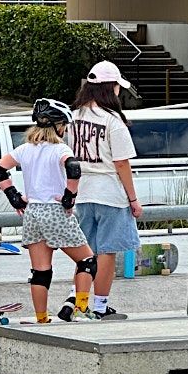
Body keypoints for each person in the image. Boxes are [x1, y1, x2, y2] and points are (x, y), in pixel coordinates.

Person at [0, 99, 98, 323]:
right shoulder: (60, 149)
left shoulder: (24, 149)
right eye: (65, 126)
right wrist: (70, 198)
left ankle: (41, 318)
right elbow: (74, 167)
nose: (65, 130)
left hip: (32, 214)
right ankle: (81, 309)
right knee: (87, 261)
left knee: (41, 271)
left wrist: (15, 197)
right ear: (59, 126)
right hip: (56, 212)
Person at [62, 60, 142, 320]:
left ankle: (79, 302)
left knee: (84, 254)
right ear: (111, 88)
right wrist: (133, 199)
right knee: (107, 252)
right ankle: (99, 306)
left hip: (81, 194)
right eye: (118, 86)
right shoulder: (113, 121)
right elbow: (121, 163)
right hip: (110, 194)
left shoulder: (72, 118)